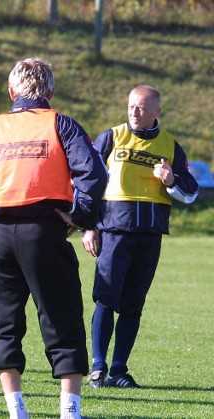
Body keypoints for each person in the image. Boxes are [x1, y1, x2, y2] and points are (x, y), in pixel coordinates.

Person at [0, 57, 108, 419]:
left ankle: (16, 409)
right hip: (44, 231)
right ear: (50, 91)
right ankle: (70, 410)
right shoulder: (60, 123)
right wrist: (81, 216)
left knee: (2, 321)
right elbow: (93, 173)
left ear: (12, 91)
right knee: (61, 316)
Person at [83, 85, 198, 389]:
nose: (134, 112)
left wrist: (172, 179)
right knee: (105, 300)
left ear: (157, 112)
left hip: (149, 236)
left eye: (142, 108)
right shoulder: (111, 137)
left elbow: (191, 192)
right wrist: (89, 226)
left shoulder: (171, 147)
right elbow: (87, 181)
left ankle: (119, 370)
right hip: (113, 232)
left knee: (133, 306)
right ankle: (98, 367)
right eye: (131, 106)